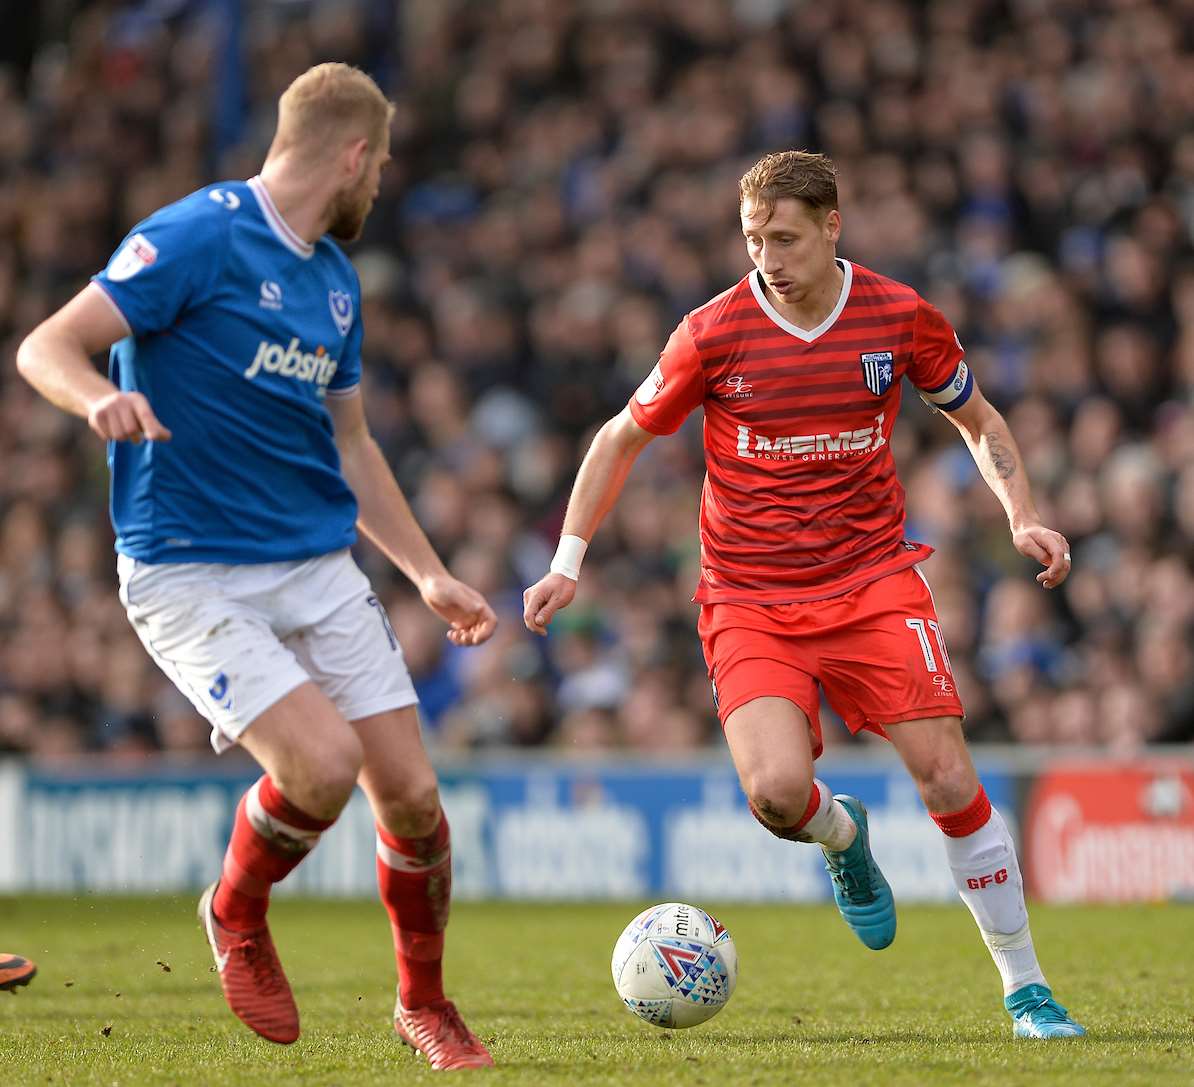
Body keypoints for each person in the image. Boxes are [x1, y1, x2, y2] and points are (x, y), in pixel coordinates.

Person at [524, 150, 1085, 1040]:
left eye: (784, 238)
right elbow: (618, 439)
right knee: (779, 794)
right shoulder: (711, 331)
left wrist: (1022, 513)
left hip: (871, 580)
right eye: (753, 240)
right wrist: (568, 559)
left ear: (832, 226)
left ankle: (1027, 989)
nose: (767, 259)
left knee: (947, 773)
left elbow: (977, 418)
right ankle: (842, 837)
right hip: (748, 595)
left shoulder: (900, 317)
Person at [17, 63, 495, 1068]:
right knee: (320, 766)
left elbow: (353, 446)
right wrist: (92, 399)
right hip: (189, 570)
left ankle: (423, 1005)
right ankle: (234, 911)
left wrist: (424, 571)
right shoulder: (199, 234)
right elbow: (48, 346)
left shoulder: (332, 279)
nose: (382, 183)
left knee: (411, 795)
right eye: (383, 163)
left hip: (314, 563)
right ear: (354, 154)